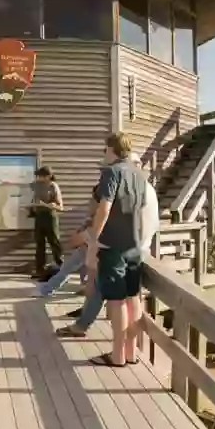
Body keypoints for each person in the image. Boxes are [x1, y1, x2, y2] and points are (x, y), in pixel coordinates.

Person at [85, 133, 149, 368]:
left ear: (112, 149)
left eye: (105, 149)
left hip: (112, 247)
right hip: (134, 246)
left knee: (116, 300)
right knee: (133, 298)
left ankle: (117, 355)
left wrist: (93, 239)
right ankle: (131, 353)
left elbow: (104, 208)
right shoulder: (139, 176)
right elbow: (141, 213)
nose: (104, 153)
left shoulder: (111, 173)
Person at [30, 166, 64, 278]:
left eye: (41, 176)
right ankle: (39, 269)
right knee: (39, 244)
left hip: (50, 216)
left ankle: (61, 268)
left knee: (54, 242)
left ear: (48, 176)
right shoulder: (36, 186)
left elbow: (60, 207)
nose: (38, 178)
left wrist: (51, 205)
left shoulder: (53, 186)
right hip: (39, 216)